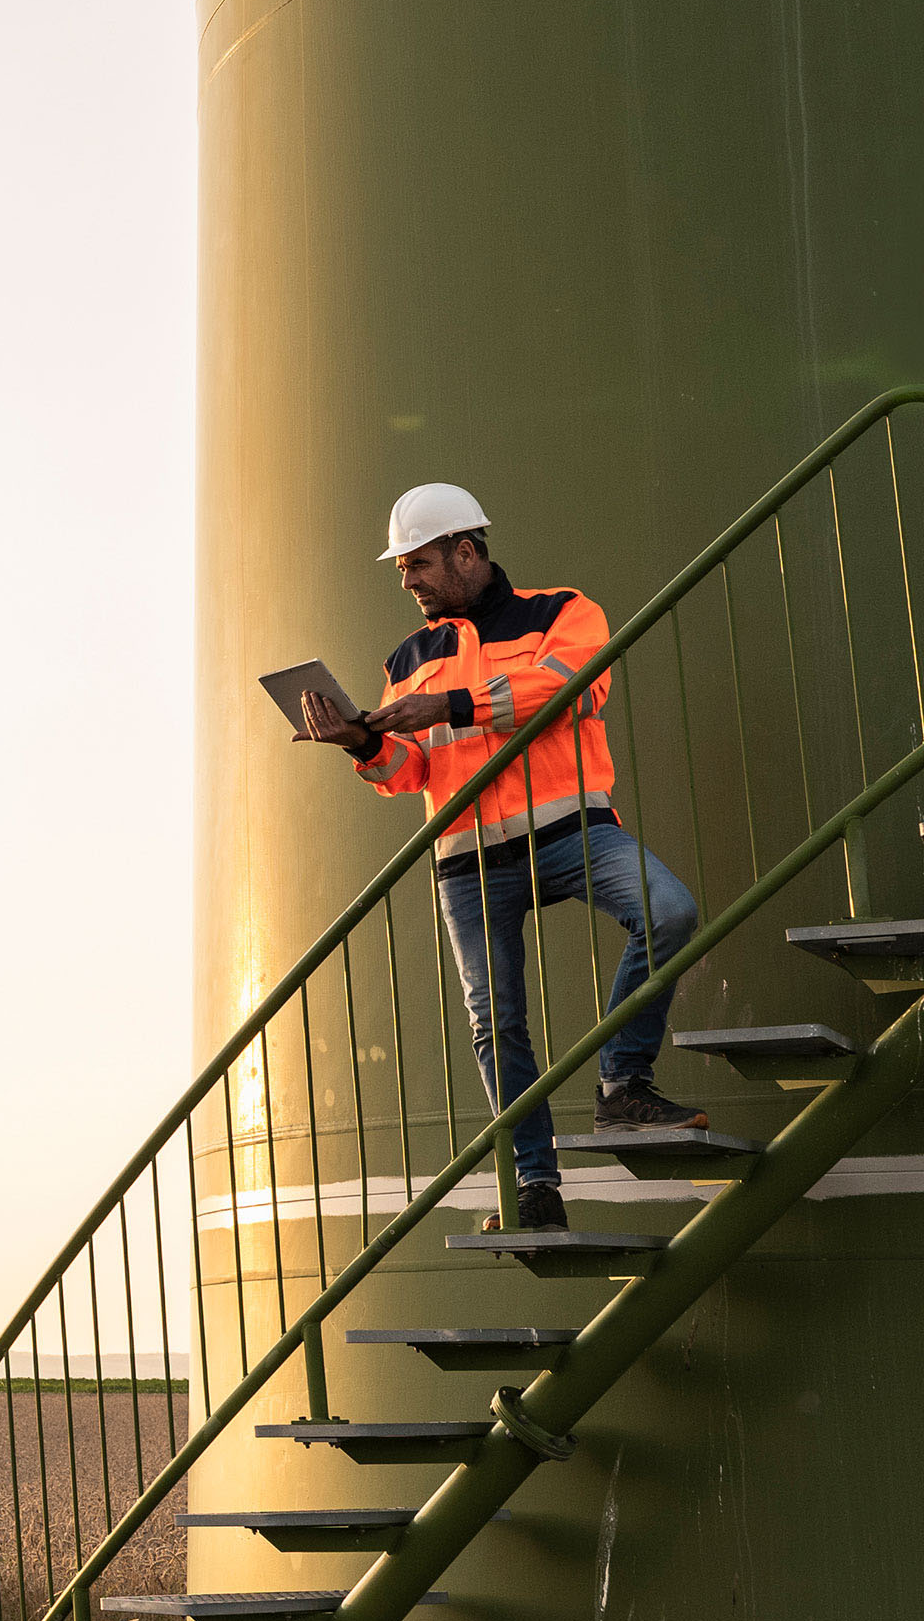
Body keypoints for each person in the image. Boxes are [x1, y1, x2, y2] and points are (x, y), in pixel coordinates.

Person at [293, 483, 706, 1234]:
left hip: (570, 829)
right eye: (402, 570)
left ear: (466, 552)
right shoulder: (406, 657)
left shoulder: (563, 612)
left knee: (670, 912)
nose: (408, 579)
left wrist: (453, 706)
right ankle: (537, 1188)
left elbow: (573, 689)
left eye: (418, 563)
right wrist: (359, 742)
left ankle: (622, 1082)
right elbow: (408, 772)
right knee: (497, 1022)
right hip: (469, 861)